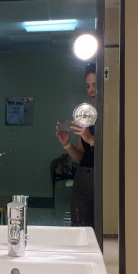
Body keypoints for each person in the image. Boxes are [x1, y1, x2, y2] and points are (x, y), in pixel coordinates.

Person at [55, 63, 97, 232]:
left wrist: (90, 138)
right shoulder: (87, 115)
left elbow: (115, 149)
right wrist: (66, 144)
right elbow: (81, 157)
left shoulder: (113, 112)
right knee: (80, 230)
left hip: (104, 179)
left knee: (103, 231)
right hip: (83, 180)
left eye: (95, 85)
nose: (91, 90)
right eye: (88, 86)